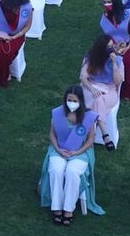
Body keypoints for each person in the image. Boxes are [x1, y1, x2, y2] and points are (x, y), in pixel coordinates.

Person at [39, 85, 104, 225]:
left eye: (75, 101)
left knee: (72, 172)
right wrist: (58, 149)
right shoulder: (58, 114)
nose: (72, 103)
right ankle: (56, 207)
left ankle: (68, 209)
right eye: (69, 100)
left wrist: (77, 152)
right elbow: (52, 134)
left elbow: (90, 140)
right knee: (56, 170)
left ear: (80, 101)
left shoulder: (88, 117)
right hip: (59, 150)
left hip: (80, 152)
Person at [79, 34, 124, 151]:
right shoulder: (91, 58)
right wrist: (92, 88)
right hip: (90, 88)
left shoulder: (118, 60)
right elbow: (83, 77)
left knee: (98, 100)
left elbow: (118, 81)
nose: (111, 49)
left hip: (109, 90)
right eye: (108, 47)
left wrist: (114, 64)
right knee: (97, 99)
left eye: (112, 46)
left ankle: (90, 134)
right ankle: (105, 134)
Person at [99, 0, 130, 101]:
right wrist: (114, 48)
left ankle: (127, 92)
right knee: (106, 59)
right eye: (105, 2)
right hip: (114, 45)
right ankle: (109, 87)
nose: (106, 4)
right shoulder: (104, 19)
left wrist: (127, 47)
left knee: (126, 61)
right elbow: (108, 37)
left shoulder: (128, 14)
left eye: (109, 2)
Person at [0, 0, 33, 89]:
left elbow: (27, 26)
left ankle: (5, 75)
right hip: (0, 33)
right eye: (14, 9)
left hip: (18, 35)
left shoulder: (26, 7)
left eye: (17, 9)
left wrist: (15, 37)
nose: (17, 11)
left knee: (7, 52)